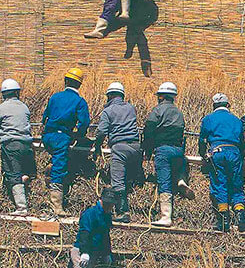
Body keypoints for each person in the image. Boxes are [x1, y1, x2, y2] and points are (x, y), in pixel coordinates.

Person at [143, 81, 194, 228]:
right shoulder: (178, 112)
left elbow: (149, 130)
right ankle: (181, 180)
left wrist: (147, 150)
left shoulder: (157, 110)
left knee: (164, 181)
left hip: (163, 149)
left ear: (161, 97)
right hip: (178, 150)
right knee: (178, 164)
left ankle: (166, 217)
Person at [41, 66, 90, 215]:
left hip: (47, 136)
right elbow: (84, 123)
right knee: (60, 168)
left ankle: (49, 168)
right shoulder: (79, 101)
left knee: (56, 159)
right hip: (61, 138)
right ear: (79, 84)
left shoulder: (55, 97)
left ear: (65, 81)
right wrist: (77, 136)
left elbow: (44, 118)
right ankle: (57, 207)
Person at [198, 93, 245, 233]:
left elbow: (202, 140)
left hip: (217, 152)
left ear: (214, 106)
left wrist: (203, 154)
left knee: (220, 184)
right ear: (228, 105)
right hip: (234, 153)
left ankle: (224, 220)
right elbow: (242, 142)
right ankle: (240, 218)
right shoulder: (236, 120)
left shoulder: (208, 119)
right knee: (237, 185)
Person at [93, 82, 142, 223]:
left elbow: (101, 131)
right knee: (130, 177)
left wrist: (97, 146)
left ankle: (123, 211)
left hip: (120, 148)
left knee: (117, 181)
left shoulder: (108, 111)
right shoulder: (131, 108)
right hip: (136, 147)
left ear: (109, 96)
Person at [0, 78, 36, 215]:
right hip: (27, 145)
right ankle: (25, 181)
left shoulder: (0, 109)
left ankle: (22, 208)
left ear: (3, 94)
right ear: (17, 93)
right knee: (24, 172)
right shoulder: (24, 107)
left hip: (11, 145)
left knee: (13, 174)